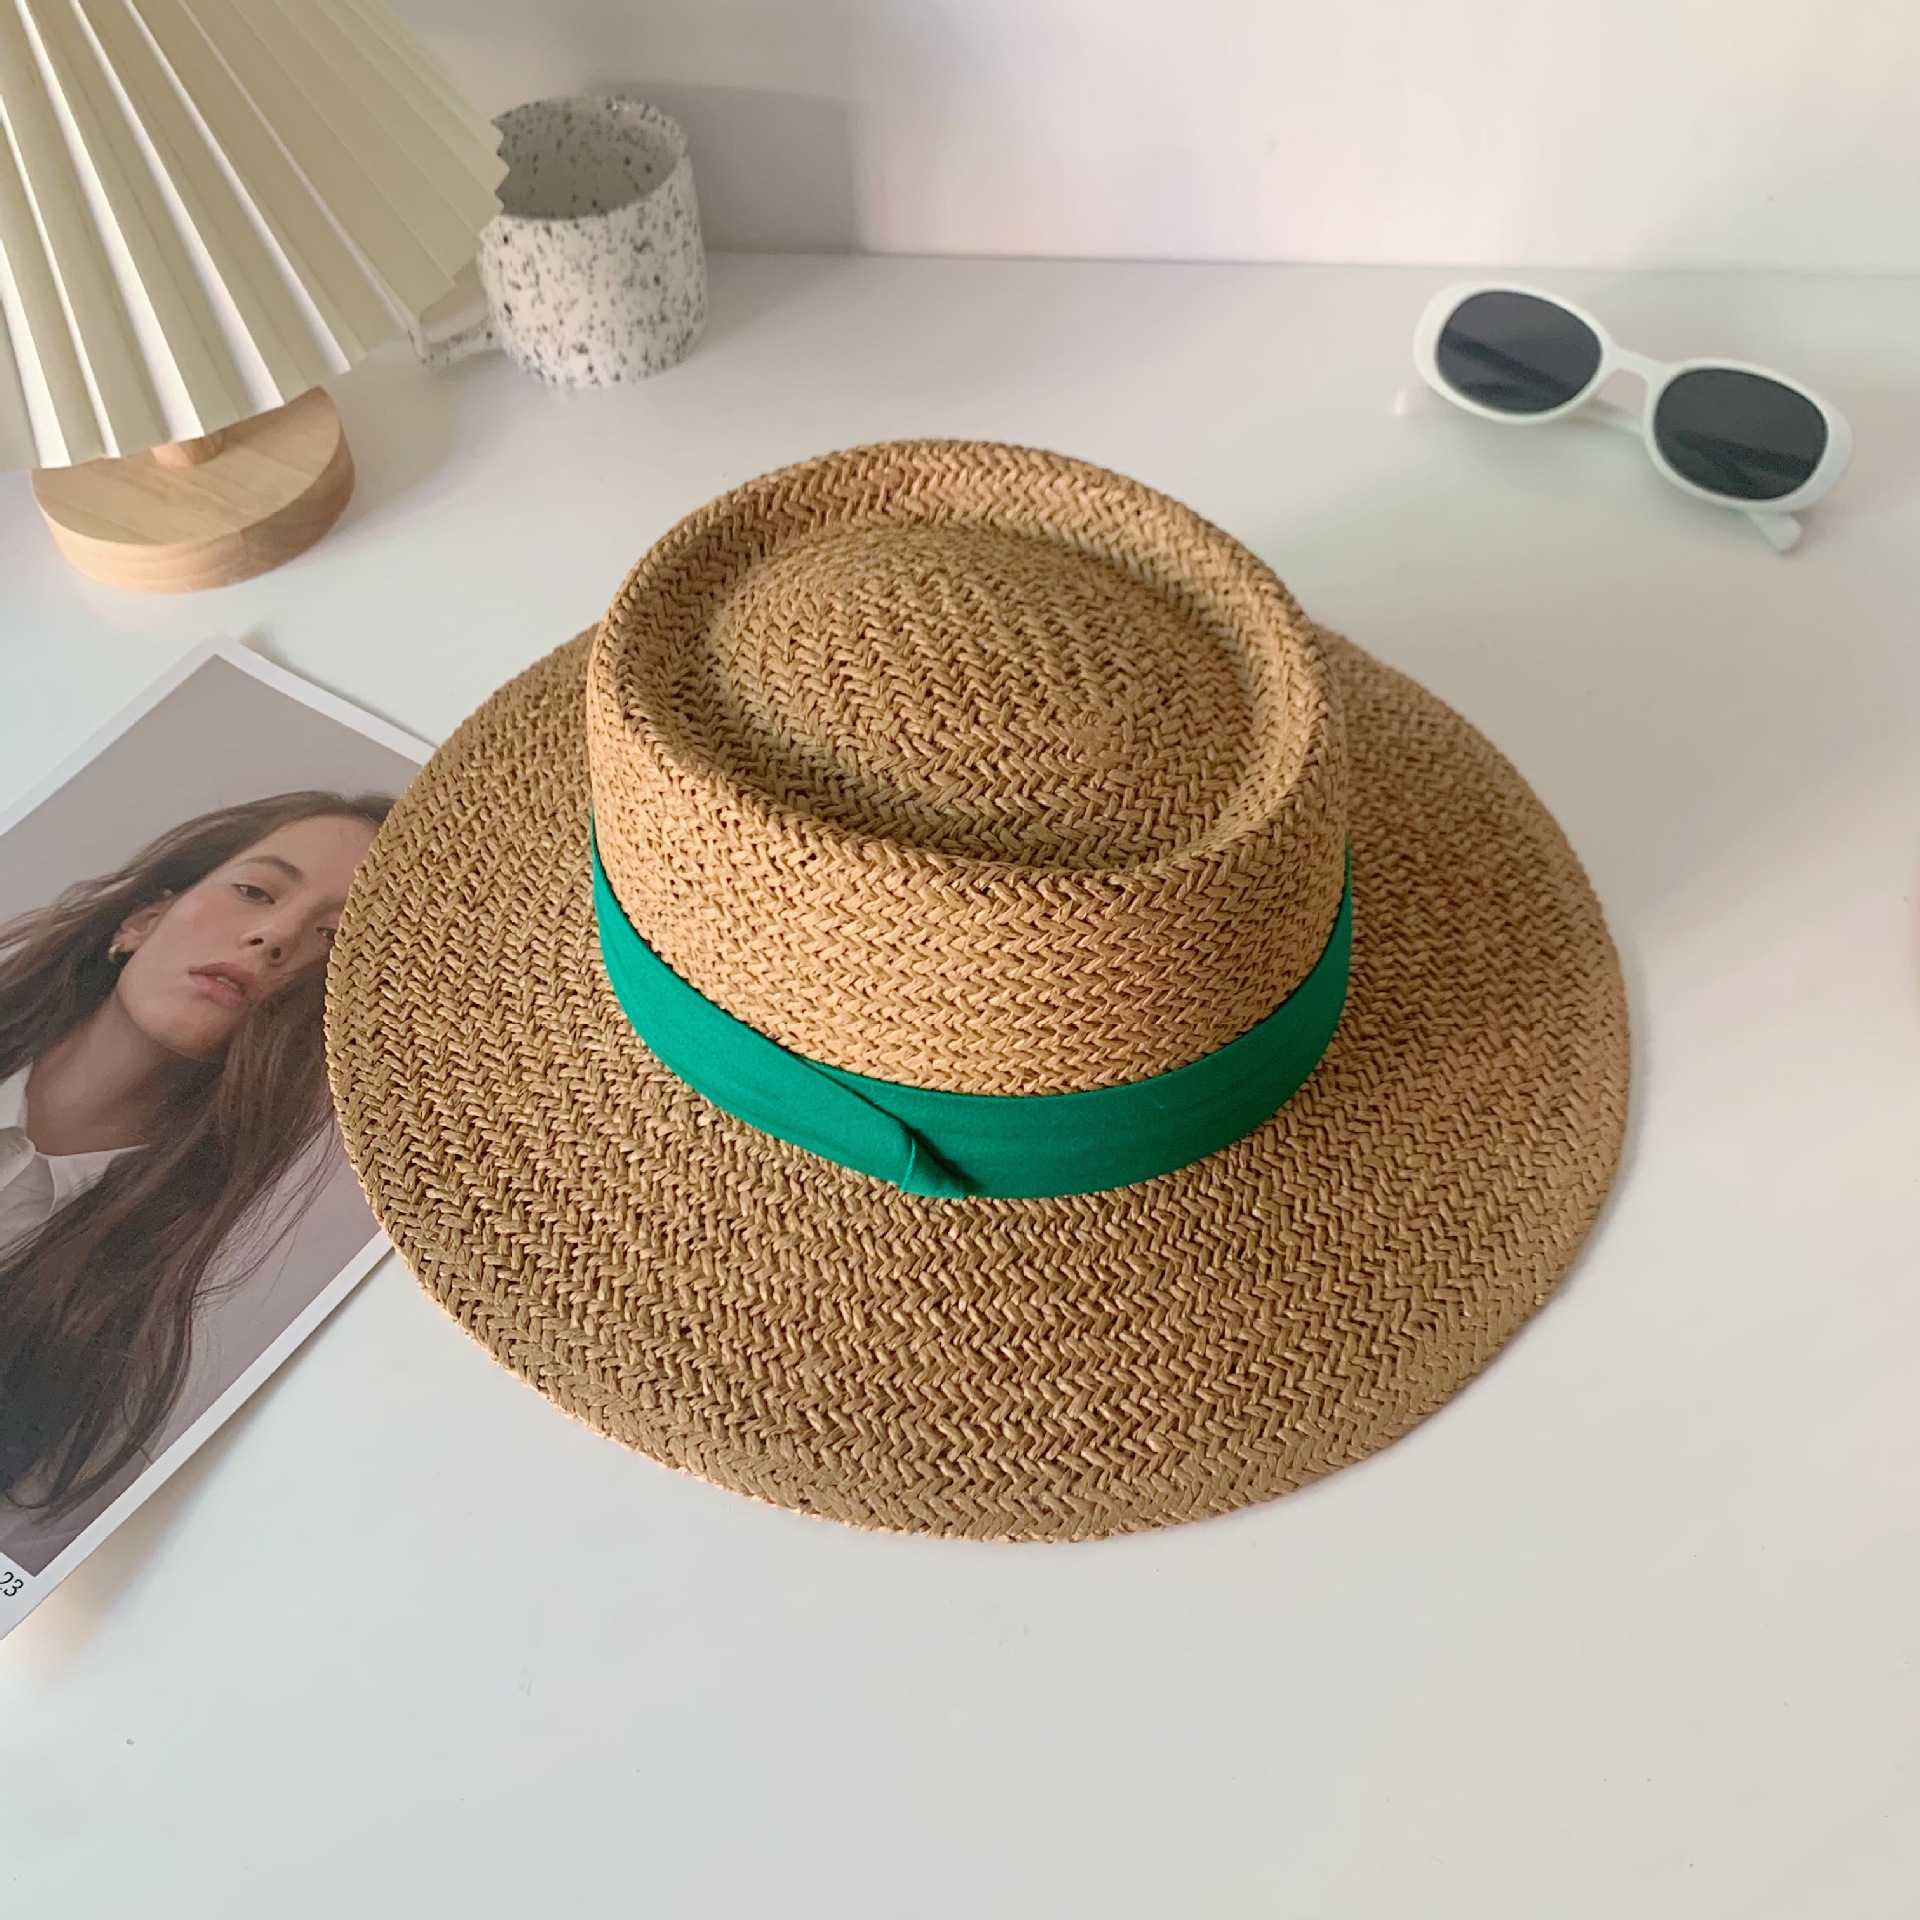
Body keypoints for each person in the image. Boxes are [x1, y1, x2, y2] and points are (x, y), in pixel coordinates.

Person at [0, 791, 392, 1519]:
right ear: (142, 921)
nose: (275, 936)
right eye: (255, 891)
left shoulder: (127, 1322)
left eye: (333, 939)